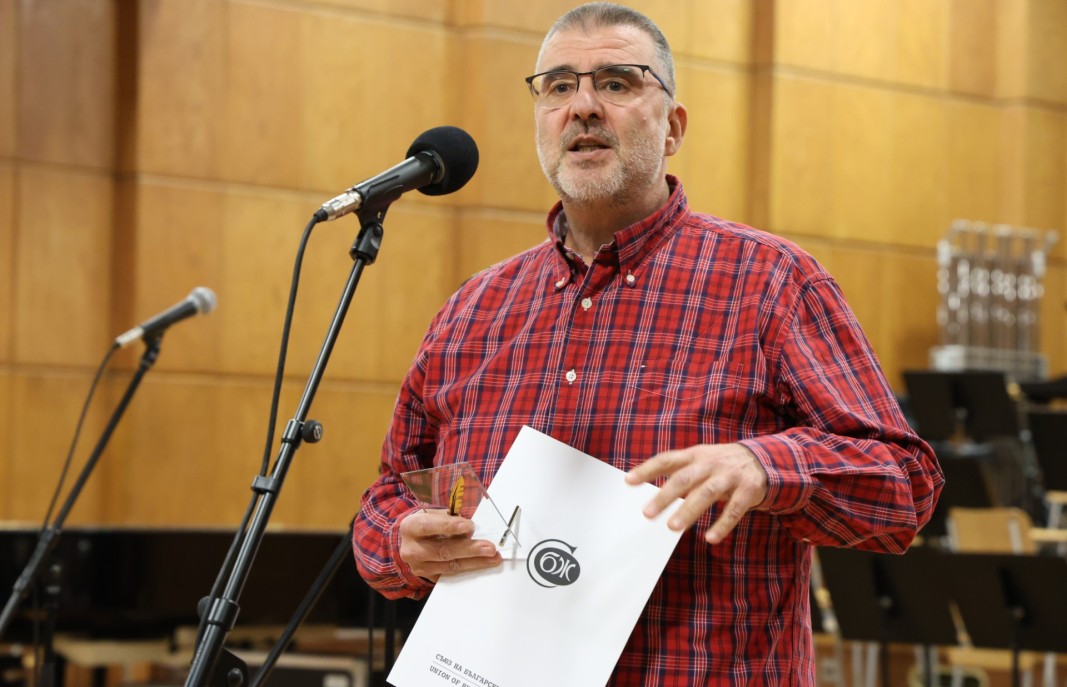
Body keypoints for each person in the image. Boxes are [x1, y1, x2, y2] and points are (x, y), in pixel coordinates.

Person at [353, 3, 943, 684]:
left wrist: (767, 465)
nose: (582, 107)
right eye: (558, 87)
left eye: (616, 82)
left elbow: (905, 488)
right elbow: (385, 500)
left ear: (673, 128)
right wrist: (400, 543)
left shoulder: (770, 284)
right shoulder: (473, 310)